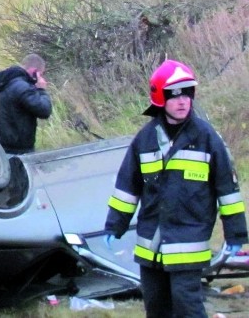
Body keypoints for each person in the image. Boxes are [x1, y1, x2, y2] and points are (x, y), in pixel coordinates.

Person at [103, 59, 247, 318]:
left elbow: (228, 190)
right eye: (174, 96)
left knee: (187, 306)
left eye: (187, 94)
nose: (182, 101)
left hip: (188, 240)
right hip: (151, 244)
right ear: (160, 98)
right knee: (156, 307)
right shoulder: (145, 140)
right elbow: (127, 187)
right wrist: (115, 225)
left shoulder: (206, 138)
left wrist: (236, 234)